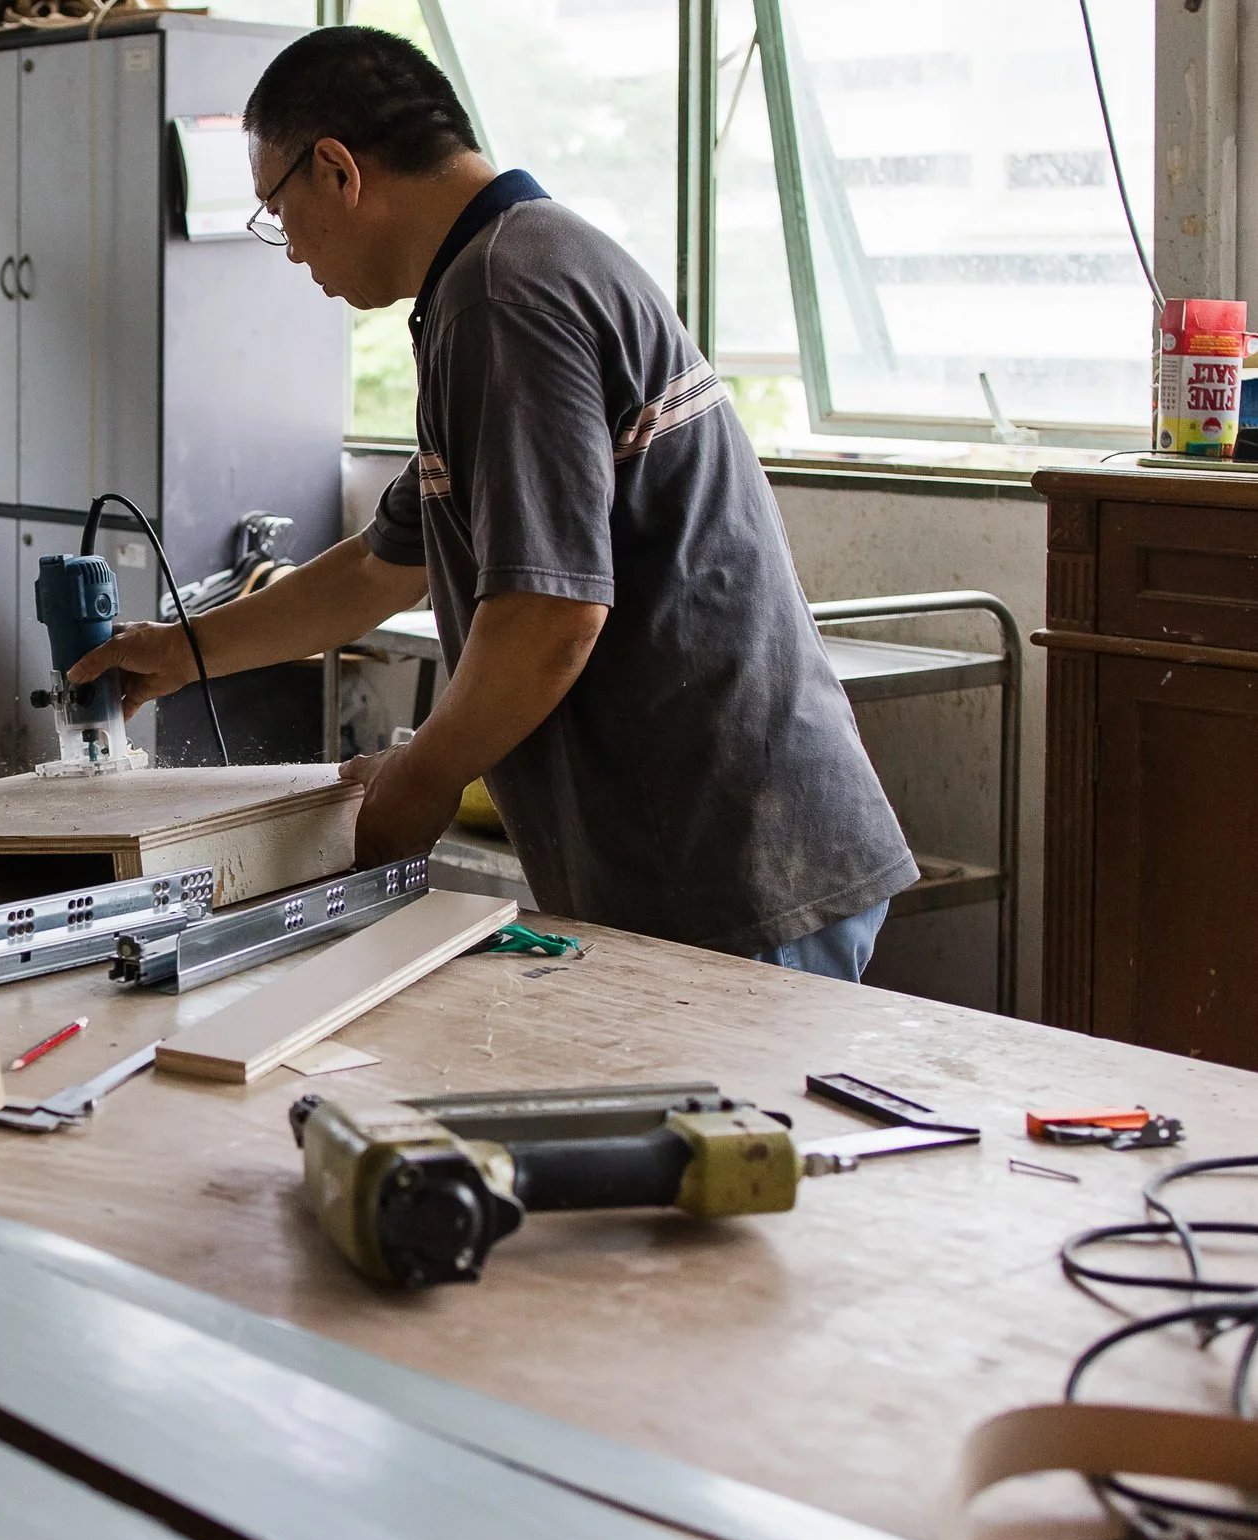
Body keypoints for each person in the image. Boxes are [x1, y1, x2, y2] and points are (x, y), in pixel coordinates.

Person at [67, 25, 915, 981]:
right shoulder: (501, 273)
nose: (290, 249)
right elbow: (385, 564)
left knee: (729, 1130)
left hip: (732, 862)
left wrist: (417, 782)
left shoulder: (504, 294)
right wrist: (181, 651)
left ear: (338, 169)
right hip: (710, 846)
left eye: (277, 210)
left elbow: (552, 617)